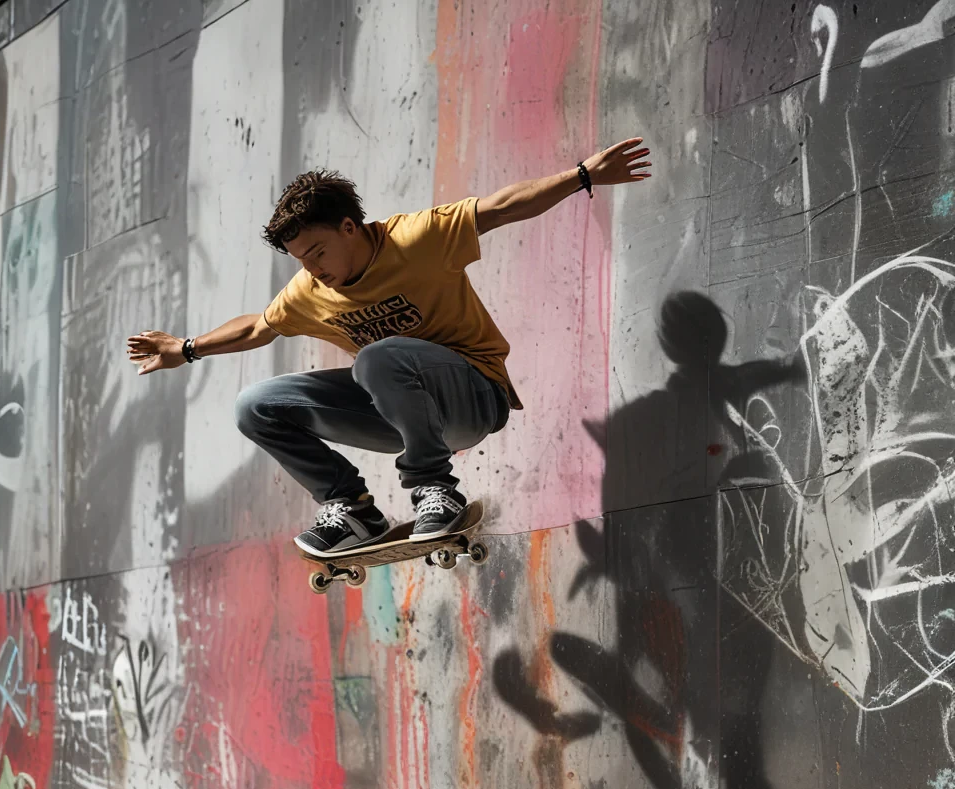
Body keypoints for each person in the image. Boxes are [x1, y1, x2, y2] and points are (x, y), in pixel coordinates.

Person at [127, 139, 651, 554]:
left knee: (378, 357)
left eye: (317, 252)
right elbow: (257, 328)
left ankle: (434, 489)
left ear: (350, 227)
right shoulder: (310, 291)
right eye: (301, 261)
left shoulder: (418, 238)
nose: (313, 271)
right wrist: (186, 348)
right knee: (256, 406)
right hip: (400, 414)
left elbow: (502, 207)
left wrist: (583, 176)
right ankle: (352, 507)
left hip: (473, 395)